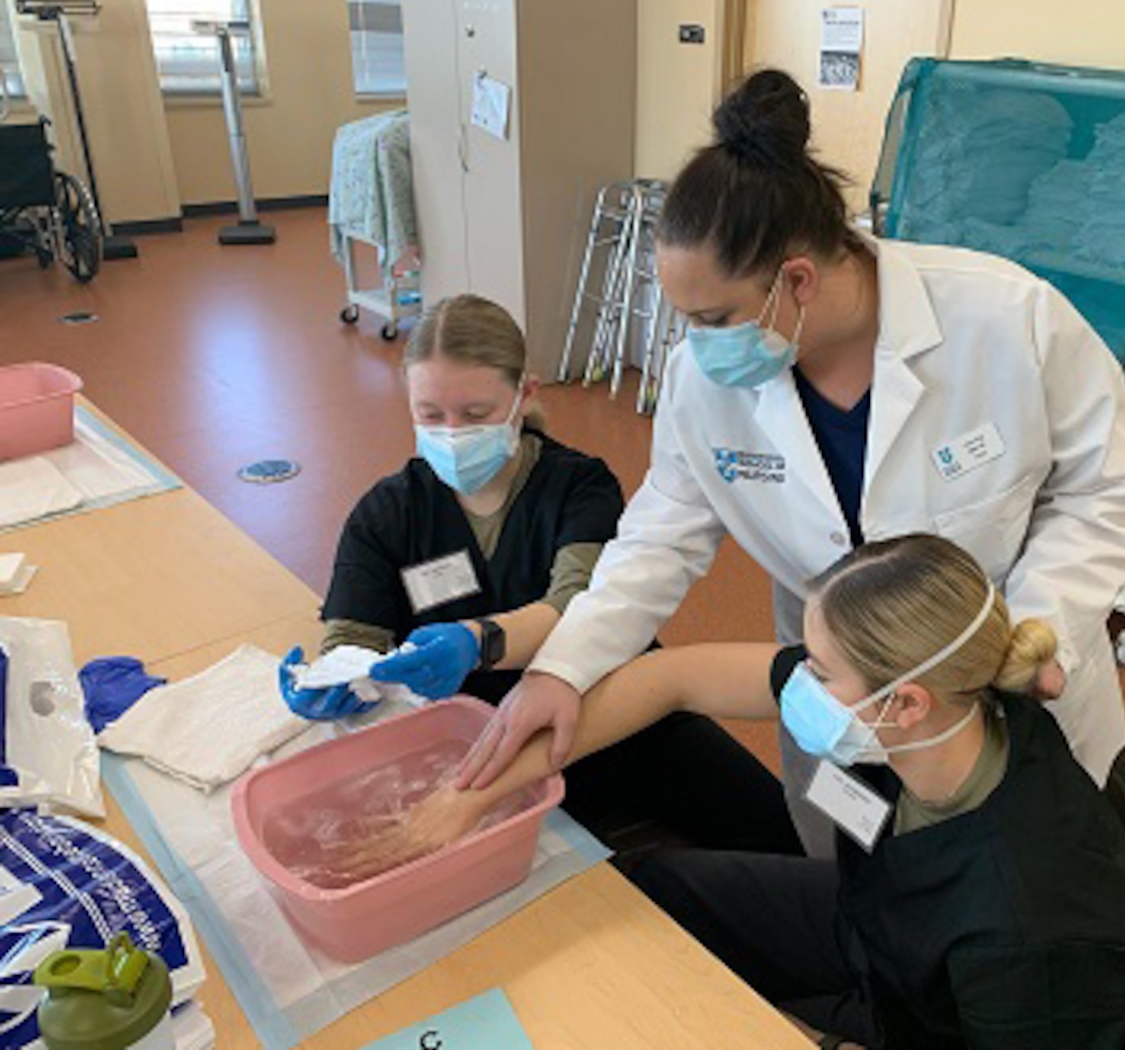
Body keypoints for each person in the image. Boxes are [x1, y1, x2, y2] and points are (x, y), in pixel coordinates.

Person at [389, 69, 1125, 853]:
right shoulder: (708, 381)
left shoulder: (1007, 320)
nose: (694, 344)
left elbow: (1107, 487)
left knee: (1017, 886)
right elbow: (659, 540)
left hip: (1007, 689)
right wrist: (562, 668)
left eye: (713, 317)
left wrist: (1030, 634)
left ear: (796, 279)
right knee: (855, 874)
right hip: (835, 690)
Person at [348, 535, 1125, 1049]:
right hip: (876, 927)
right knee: (645, 892)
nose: (795, 681)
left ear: (901, 703)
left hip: (926, 1019)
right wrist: (478, 793)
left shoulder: (1030, 932)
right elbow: (675, 677)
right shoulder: (952, 706)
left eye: (820, 670)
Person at [279, 294, 800, 858]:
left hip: (610, 707)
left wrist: (477, 642)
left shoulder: (577, 486)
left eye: (475, 415)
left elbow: (580, 605)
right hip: (472, 743)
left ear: (524, 394)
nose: (452, 433)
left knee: (776, 838)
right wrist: (334, 678)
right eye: (430, 415)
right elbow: (354, 633)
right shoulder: (387, 513)